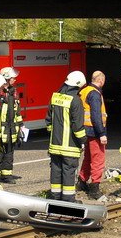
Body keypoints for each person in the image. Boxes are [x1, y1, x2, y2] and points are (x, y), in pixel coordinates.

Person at [46, 70, 87, 202]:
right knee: (69, 172)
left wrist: (54, 135)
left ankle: (55, 197)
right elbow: (77, 125)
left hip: (54, 145)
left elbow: (48, 120)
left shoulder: (55, 97)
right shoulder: (75, 100)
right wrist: (83, 140)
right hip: (69, 146)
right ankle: (68, 200)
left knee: (56, 171)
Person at [76, 70, 108, 200]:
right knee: (98, 159)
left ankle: (82, 182)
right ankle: (94, 189)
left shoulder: (83, 91)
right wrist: (102, 133)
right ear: (101, 80)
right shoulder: (94, 94)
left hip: (85, 130)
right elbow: (96, 115)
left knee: (88, 158)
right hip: (94, 131)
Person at [0, 66, 23, 182]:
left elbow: (17, 111)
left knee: (9, 151)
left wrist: (21, 125)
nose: (15, 80)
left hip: (12, 128)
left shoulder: (13, 91)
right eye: (13, 78)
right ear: (6, 78)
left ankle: (6, 175)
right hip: (1, 128)